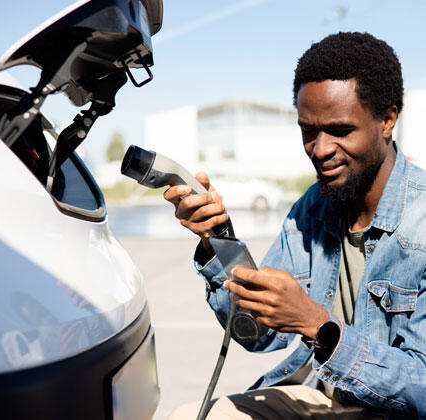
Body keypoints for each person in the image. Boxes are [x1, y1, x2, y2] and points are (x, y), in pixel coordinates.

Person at [165, 32, 426, 419]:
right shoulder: (313, 207)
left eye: (339, 130)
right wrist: (216, 242)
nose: (319, 150)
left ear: (386, 120)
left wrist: (320, 327)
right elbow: (258, 335)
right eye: (309, 130)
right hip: (314, 400)